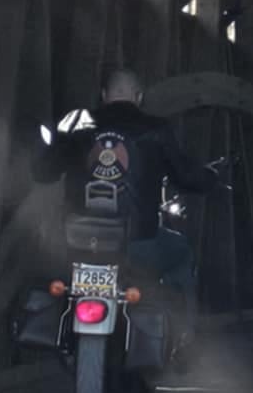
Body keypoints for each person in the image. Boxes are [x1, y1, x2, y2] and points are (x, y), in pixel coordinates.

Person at [34, 65, 222, 308]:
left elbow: (43, 172)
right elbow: (186, 177)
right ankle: (182, 329)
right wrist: (211, 178)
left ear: (104, 95)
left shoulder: (79, 125)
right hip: (137, 245)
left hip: (77, 242)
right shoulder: (156, 130)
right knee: (181, 253)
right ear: (139, 97)